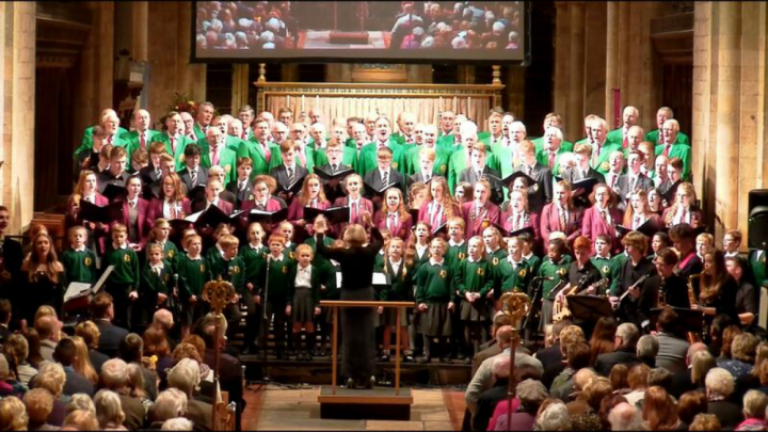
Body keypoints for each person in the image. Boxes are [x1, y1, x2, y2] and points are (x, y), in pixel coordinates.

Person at [313, 215, 383, 389]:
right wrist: (372, 226)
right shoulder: (368, 252)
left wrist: (321, 233)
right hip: (366, 295)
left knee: (349, 336)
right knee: (367, 336)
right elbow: (380, 241)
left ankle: (349, 375)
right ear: (362, 237)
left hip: (349, 296)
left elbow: (321, 249)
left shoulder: (343, 253)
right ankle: (368, 374)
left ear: (346, 237)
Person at [102, 224, 140, 329]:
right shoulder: (108, 252)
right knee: (112, 314)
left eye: (121, 236)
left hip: (126, 287)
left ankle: (127, 337)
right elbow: (103, 271)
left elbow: (136, 271)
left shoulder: (131, 252)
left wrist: (135, 289)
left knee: (126, 316)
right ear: (112, 236)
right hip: (111, 287)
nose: (118, 239)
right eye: (116, 236)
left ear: (126, 236)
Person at [21, 233, 65, 322]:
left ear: (50, 245)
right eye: (39, 243)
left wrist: (60, 318)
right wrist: (22, 319)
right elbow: (21, 294)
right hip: (31, 312)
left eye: (46, 242)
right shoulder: (26, 266)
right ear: (34, 246)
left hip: (51, 312)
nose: (43, 245)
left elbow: (60, 296)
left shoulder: (57, 266)